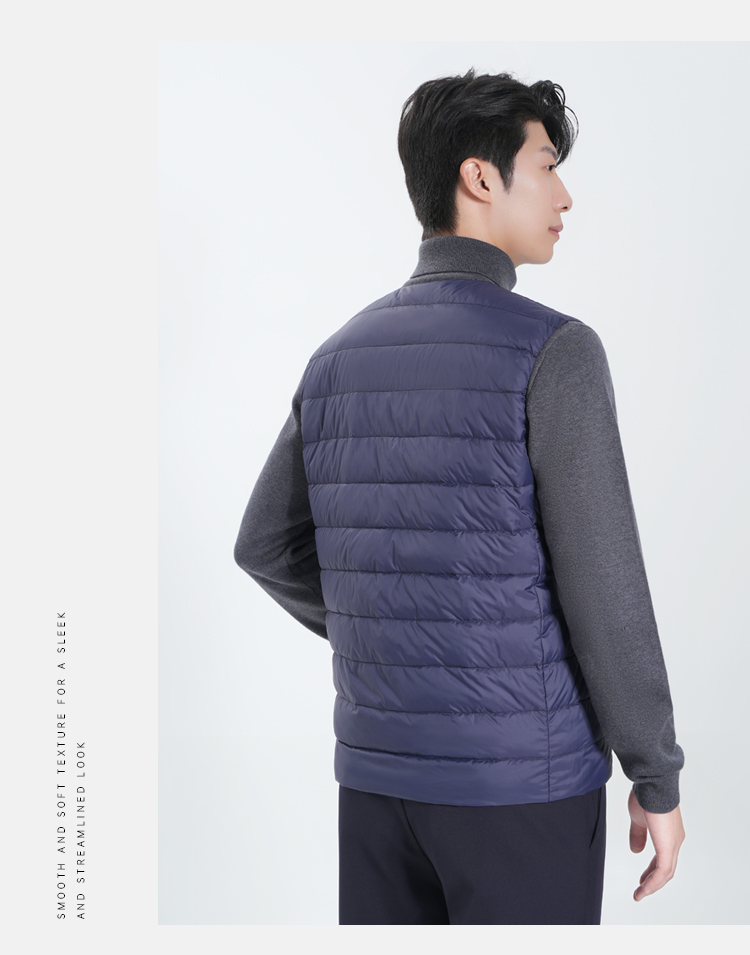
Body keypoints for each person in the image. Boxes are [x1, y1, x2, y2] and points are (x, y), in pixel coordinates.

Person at [233, 67, 686, 925]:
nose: (565, 195)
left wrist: (400, 635)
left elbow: (264, 545)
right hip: (521, 789)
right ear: (480, 177)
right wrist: (655, 774)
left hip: (376, 787)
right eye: (546, 165)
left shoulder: (337, 357)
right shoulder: (556, 351)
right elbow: (606, 591)